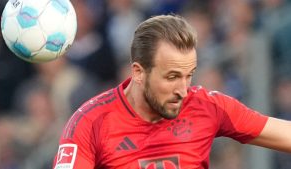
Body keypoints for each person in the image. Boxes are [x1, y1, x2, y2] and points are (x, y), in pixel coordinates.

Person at [52, 14, 291, 169]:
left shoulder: (208, 107)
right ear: (138, 72)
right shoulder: (90, 123)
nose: (183, 90)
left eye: (189, 75)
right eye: (172, 77)